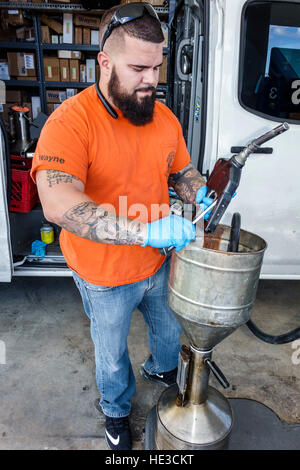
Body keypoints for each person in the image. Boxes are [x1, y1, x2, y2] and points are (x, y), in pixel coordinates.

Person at [31, 3, 213, 450]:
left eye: (157, 67)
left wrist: (198, 190)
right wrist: (146, 230)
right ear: (105, 62)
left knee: (170, 337)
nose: (151, 79)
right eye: (138, 68)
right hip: (103, 274)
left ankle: (159, 370)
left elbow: (182, 171)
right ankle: (116, 411)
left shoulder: (163, 116)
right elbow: (58, 203)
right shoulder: (71, 122)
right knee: (112, 359)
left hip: (156, 264)